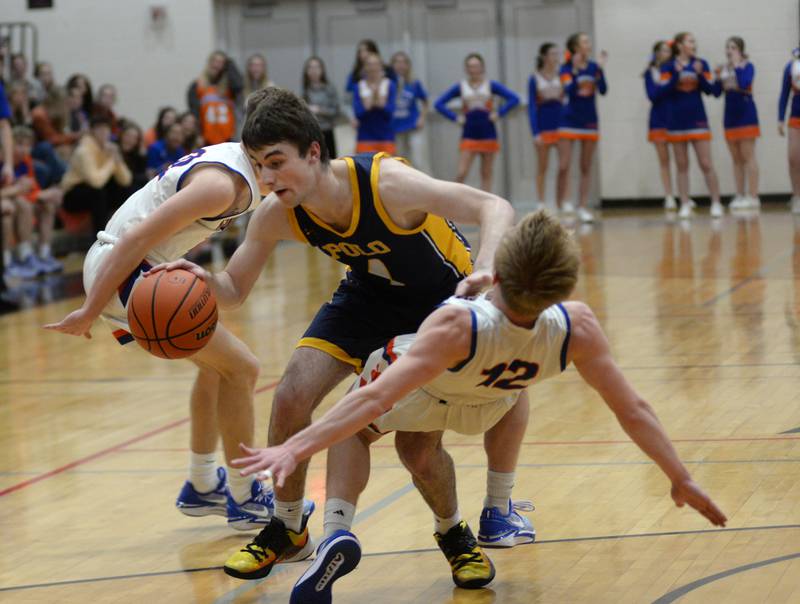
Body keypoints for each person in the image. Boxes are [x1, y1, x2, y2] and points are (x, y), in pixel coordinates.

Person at [230, 210, 728, 600]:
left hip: (430, 386)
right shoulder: (576, 327)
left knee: (358, 427)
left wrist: (295, 447)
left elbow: (375, 399)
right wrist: (679, 476)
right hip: (490, 406)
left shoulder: (457, 326)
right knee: (421, 453)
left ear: (502, 269)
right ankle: (463, 530)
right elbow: (633, 409)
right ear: (564, 283)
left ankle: (337, 530)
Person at [143, 87, 516, 581]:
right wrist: (199, 280)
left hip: (436, 306)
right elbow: (233, 288)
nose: (267, 178)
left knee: (417, 449)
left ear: (314, 151)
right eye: (258, 165)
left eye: (276, 162)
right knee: (291, 395)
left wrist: (487, 269)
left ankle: (453, 533)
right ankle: (287, 527)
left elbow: (495, 206)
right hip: (366, 296)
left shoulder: (389, 185)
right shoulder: (278, 212)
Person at [44, 91, 283, 532]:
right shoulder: (222, 185)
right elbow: (136, 239)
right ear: (266, 149)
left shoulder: (238, 168)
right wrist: (89, 310)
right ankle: (247, 497)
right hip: (126, 268)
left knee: (217, 370)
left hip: (135, 266)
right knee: (243, 369)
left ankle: (201, 485)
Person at [435, 53, 520, 193]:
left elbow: (514, 99)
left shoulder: (490, 85)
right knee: (462, 172)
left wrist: (499, 113)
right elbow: (439, 104)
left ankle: (486, 206)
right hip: (469, 131)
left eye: (476, 66)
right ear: (466, 69)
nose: (473, 69)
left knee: (486, 173)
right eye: (470, 66)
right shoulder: (461, 86)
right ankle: (453, 201)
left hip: (488, 131)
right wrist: (455, 118)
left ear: (482, 67)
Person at [661, 32, 724, 220]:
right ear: (680, 45)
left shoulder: (701, 64)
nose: (694, 44)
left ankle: (716, 203)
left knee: (706, 163)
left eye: (694, 41)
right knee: (682, 165)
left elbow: (711, 91)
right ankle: (685, 203)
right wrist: (676, 75)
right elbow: (661, 93)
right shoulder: (668, 66)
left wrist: (703, 75)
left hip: (698, 120)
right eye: (690, 41)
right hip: (676, 121)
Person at [556, 32, 607, 223]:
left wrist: (600, 70)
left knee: (585, 165)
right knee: (564, 165)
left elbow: (603, 90)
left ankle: (582, 206)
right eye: (585, 41)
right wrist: (576, 71)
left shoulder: (594, 67)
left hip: (589, 120)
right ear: (576, 47)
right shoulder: (566, 68)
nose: (588, 44)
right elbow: (569, 90)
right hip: (568, 120)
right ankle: (562, 203)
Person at [1, 125, 63, 275]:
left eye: (28, 145)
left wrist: (44, 194)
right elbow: (19, 191)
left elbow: (31, 190)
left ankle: (43, 253)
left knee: (47, 204)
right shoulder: (3, 161)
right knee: (22, 205)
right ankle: (21, 256)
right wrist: (17, 190)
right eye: (20, 144)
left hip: (14, 201)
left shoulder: (26, 162)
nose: (24, 149)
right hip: (9, 204)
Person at [60, 114, 132, 235]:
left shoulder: (108, 148)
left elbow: (126, 180)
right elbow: (95, 182)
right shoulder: (83, 150)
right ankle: (99, 240)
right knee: (98, 194)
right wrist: (111, 161)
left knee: (123, 191)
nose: (104, 132)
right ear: (92, 131)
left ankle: (124, 233)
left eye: (106, 129)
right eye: (100, 129)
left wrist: (117, 159)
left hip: (94, 190)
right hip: (71, 195)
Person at [715, 37, 760, 211]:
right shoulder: (725, 69)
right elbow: (716, 92)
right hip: (730, 116)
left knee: (749, 156)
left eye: (733, 47)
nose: (729, 50)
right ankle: (740, 194)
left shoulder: (747, 66)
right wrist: (717, 77)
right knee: (736, 159)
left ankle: (753, 196)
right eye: (727, 47)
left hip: (746, 114)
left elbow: (743, 83)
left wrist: (736, 66)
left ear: (740, 50)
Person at [528, 43, 563, 208]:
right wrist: (536, 132)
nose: (556, 57)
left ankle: (561, 201)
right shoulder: (534, 78)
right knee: (543, 166)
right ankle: (541, 201)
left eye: (557, 54)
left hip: (562, 126)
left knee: (564, 166)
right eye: (552, 54)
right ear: (544, 57)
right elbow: (532, 107)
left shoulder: (563, 75)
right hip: (543, 127)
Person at [644, 41, 677, 211]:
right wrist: (668, 86)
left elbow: (674, 90)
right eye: (664, 50)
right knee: (664, 160)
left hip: (674, 117)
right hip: (658, 118)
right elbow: (653, 95)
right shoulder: (650, 72)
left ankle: (683, 196)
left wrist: (668, 85)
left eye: (669, 51)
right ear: (656, 53)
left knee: (681, 160)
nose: (668, 54)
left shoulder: (673, 69)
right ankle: (669, 196)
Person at [188, 51, 242, 145]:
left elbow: (239, 85)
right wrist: (198, 134)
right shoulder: (198, 86)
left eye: (221, 62)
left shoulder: (229, 87)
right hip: (206, 140)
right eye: (214, 61)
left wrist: (230, 64)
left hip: (227, 138)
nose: (216, 65)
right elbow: (194, 113)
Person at [390, 51, 429, 171]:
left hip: (412, 126)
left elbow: (425, 101)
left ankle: (422, 186)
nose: (400, 65)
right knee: (398, 160)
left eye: (403, 62)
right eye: (397, 62)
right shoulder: (388, 83)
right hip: (395, 127)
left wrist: (422, 117)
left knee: (417, 160)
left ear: (408, 65)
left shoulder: (414, 83)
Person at [352, 53, 397, 154]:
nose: (373, 68)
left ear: (381, 66)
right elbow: (358, 113)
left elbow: (390, 112)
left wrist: (376, 104)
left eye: (376, 64)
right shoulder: (359, 86)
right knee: (365, 168)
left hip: (386, 137)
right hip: (365, 138)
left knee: (388, 168)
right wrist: (374, 100)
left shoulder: (389, 84)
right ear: (364, 67)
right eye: (369, 64)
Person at [302, 56, 339, 159]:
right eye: (310, 68)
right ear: (307, 71)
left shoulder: (329, 89)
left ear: (322, 70)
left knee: (330, 162)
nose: (314, 71)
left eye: (317, 67)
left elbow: (336, 111)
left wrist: (319, 110)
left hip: (327, 131)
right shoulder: (304, 91)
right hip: (311, 134)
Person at [778, 47, 800, 213]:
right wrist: (780, 118)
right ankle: (797, 197)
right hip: (796, 117)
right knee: (793, 159)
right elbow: (784, 94)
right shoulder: (792, 66)